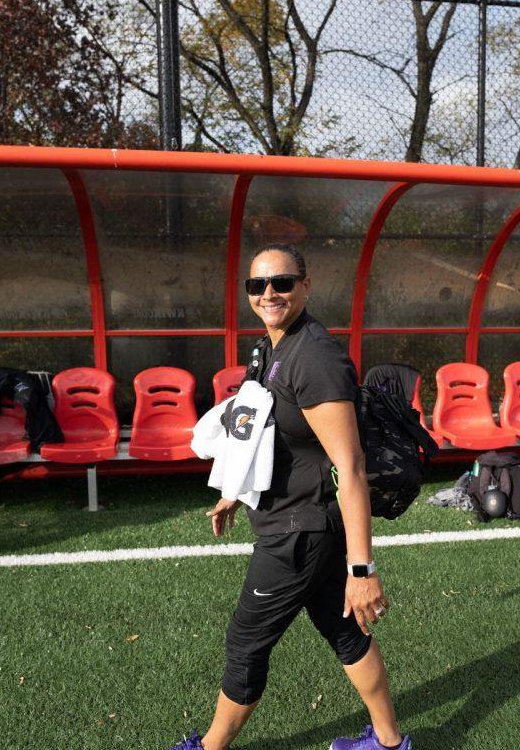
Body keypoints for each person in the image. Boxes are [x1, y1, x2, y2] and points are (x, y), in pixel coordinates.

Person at [169, 243, 411, 750]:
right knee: (344, 632)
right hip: (298, 519)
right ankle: (390, 742)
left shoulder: (316, 358)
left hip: (299, 532)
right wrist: (235, 492)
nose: (269, 293)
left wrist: (362, 570)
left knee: (245, 644)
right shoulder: (274, 345)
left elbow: (351, 466)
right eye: (257, 285)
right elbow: (263, 429)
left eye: (281, 282)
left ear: (306, 284)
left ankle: (209, 748)